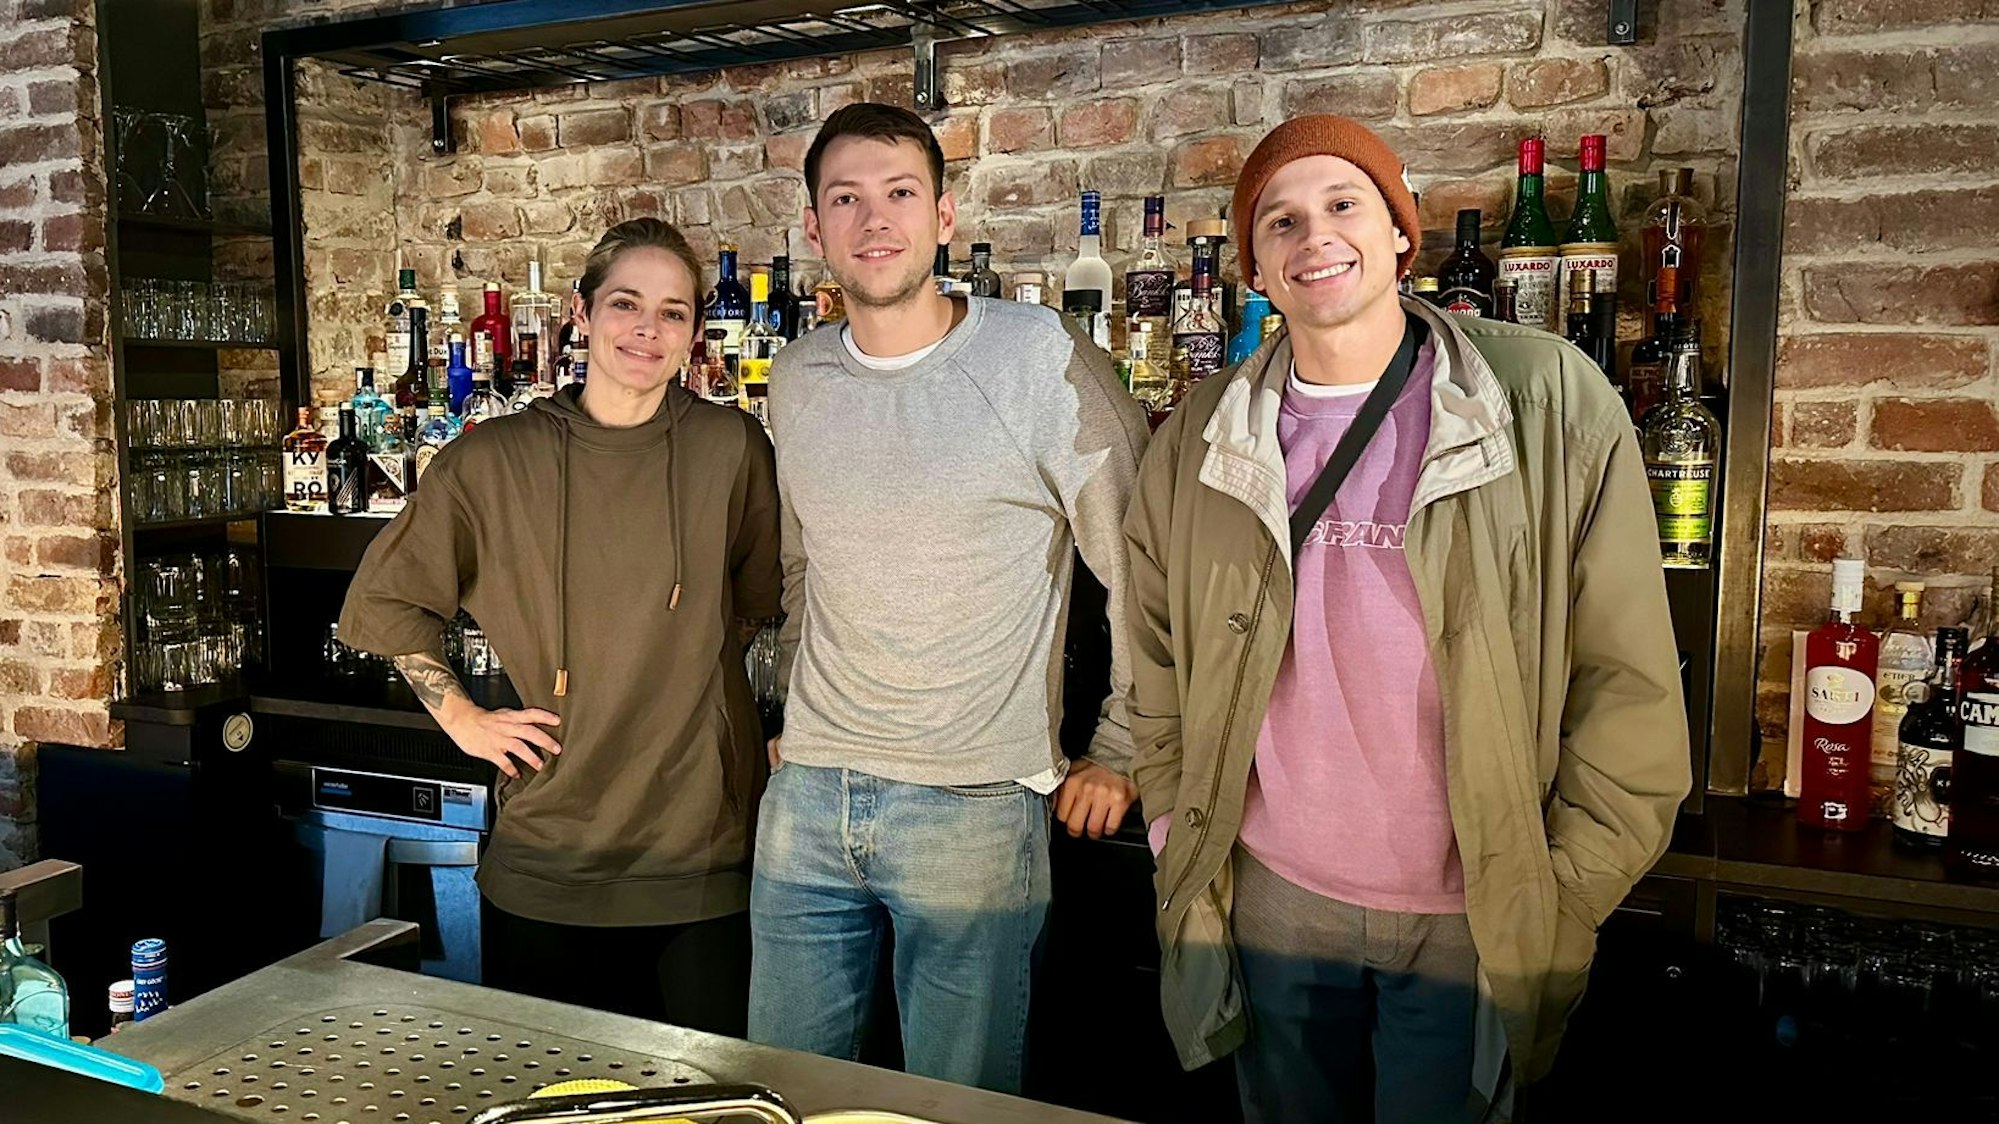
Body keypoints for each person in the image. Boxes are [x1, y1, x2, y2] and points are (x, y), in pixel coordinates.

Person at [1122, 115, 1692, 1123]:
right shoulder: (1202, 434)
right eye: (1281, 220)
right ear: (1252, 264)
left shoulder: (1545, 394)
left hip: (1472, 912)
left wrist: (1561, 888)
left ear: (1399, 230)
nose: (1314, 237)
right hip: (1271, 899)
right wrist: (1175, 824)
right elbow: (1157, 650)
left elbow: (1628, 674)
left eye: (1343, 204)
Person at [748, 102, 1150, 1094]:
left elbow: (1143, 563)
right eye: (845, 199)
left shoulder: (1039, 358)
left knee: (956, 1104)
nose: (872, 220)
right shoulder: (795, 376)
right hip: (806, 799)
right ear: (812, 228)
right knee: (779, 1095)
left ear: (943, 215)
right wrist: (790, 712)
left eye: (898, 194)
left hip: (973, 804)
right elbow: (806, 565)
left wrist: (1124, 743)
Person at [338, 217, 781, 1035]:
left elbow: (757, 604)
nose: (648, 329)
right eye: (625, 303)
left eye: (674, 312)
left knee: (712, 1102)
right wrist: (462, 718)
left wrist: (694, 696)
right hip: (549, 852)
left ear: (693, 332)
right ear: (580, 313)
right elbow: (387, 602)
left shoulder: (731, 446)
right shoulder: (492, 458)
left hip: (706, 853)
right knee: (562, 1100)